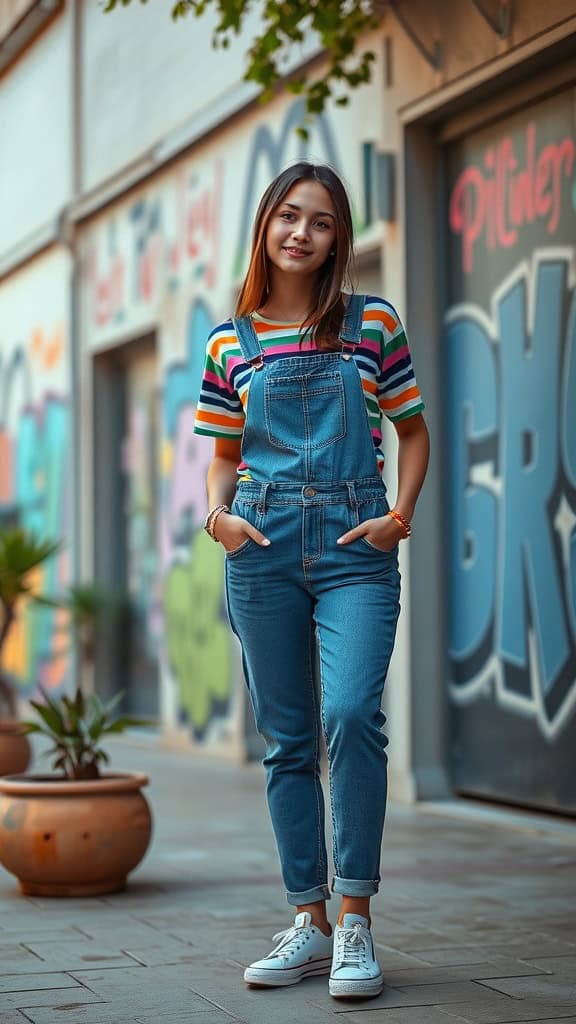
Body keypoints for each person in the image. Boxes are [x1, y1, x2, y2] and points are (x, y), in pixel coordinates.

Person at [194, 161, 429, 999]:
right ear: (266, 225)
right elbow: (221, 457)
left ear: (340, 238)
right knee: (288, 741)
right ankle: (309, 920)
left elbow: (412, 431)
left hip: (355, 542)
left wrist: (398, 516)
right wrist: (217, 519)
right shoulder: (233, 341)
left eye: (322, 221)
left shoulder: (372, 324)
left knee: (352, 713)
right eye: (288, 216)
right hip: (258, 544)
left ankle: (357, 921)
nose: (302, 232)